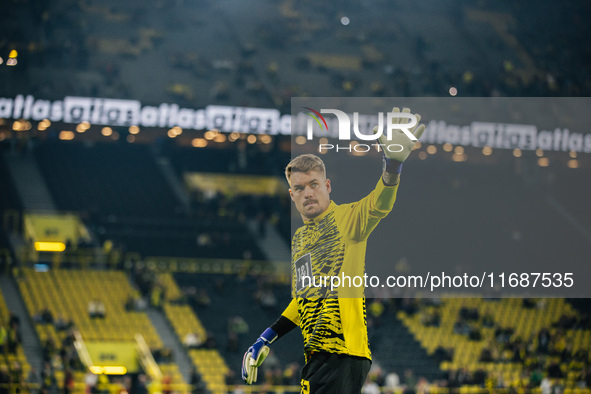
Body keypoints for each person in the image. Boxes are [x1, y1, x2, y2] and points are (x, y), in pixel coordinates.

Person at [241, 108, 425, 393]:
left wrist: (393, 168)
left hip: (342, 353)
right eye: (299, 188)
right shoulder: (301, 239)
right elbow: (303, 300)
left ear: (327, 186)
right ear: (292, 195)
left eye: (314, 185)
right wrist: (266, 337)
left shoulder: (348, 218)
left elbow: (380, 203)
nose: (308, 193)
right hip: (318, 356)